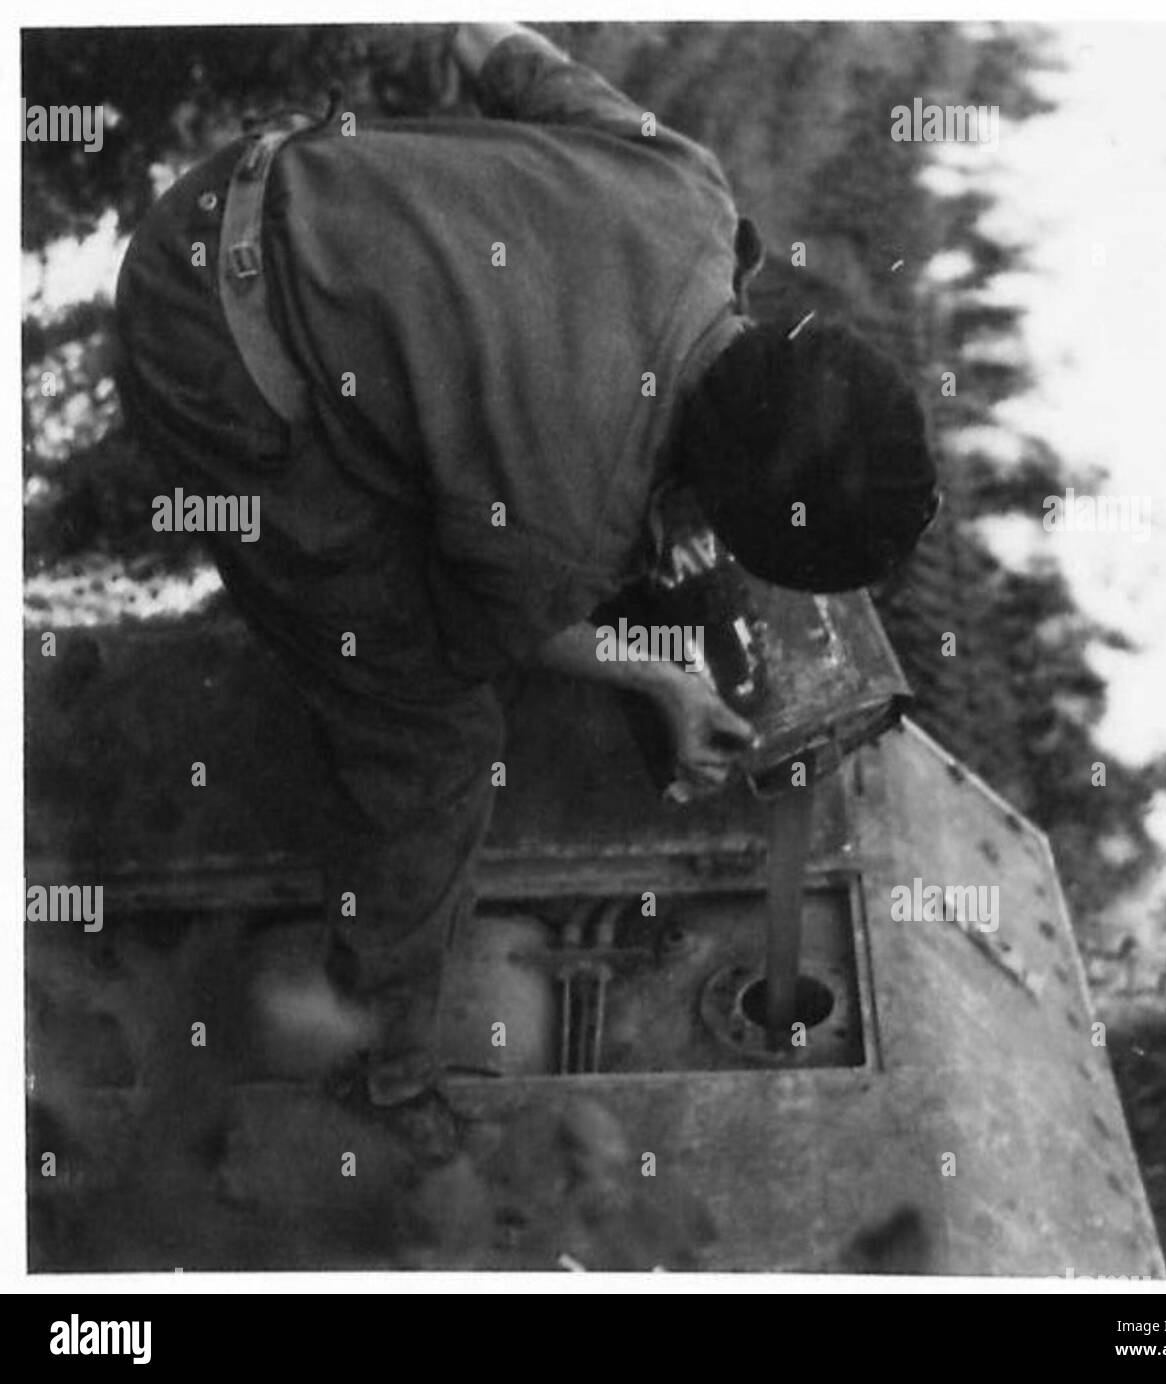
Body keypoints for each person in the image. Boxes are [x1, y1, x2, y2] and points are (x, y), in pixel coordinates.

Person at [114, 21, 938, 1143]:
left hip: (258, 191)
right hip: (201, 342)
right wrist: (656, 679)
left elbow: (501, 54)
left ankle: (384, 414)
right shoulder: (564, 526)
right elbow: (484, 636)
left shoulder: (688, 186)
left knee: (467, 487)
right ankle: (385, 1077)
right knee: (428, 728)